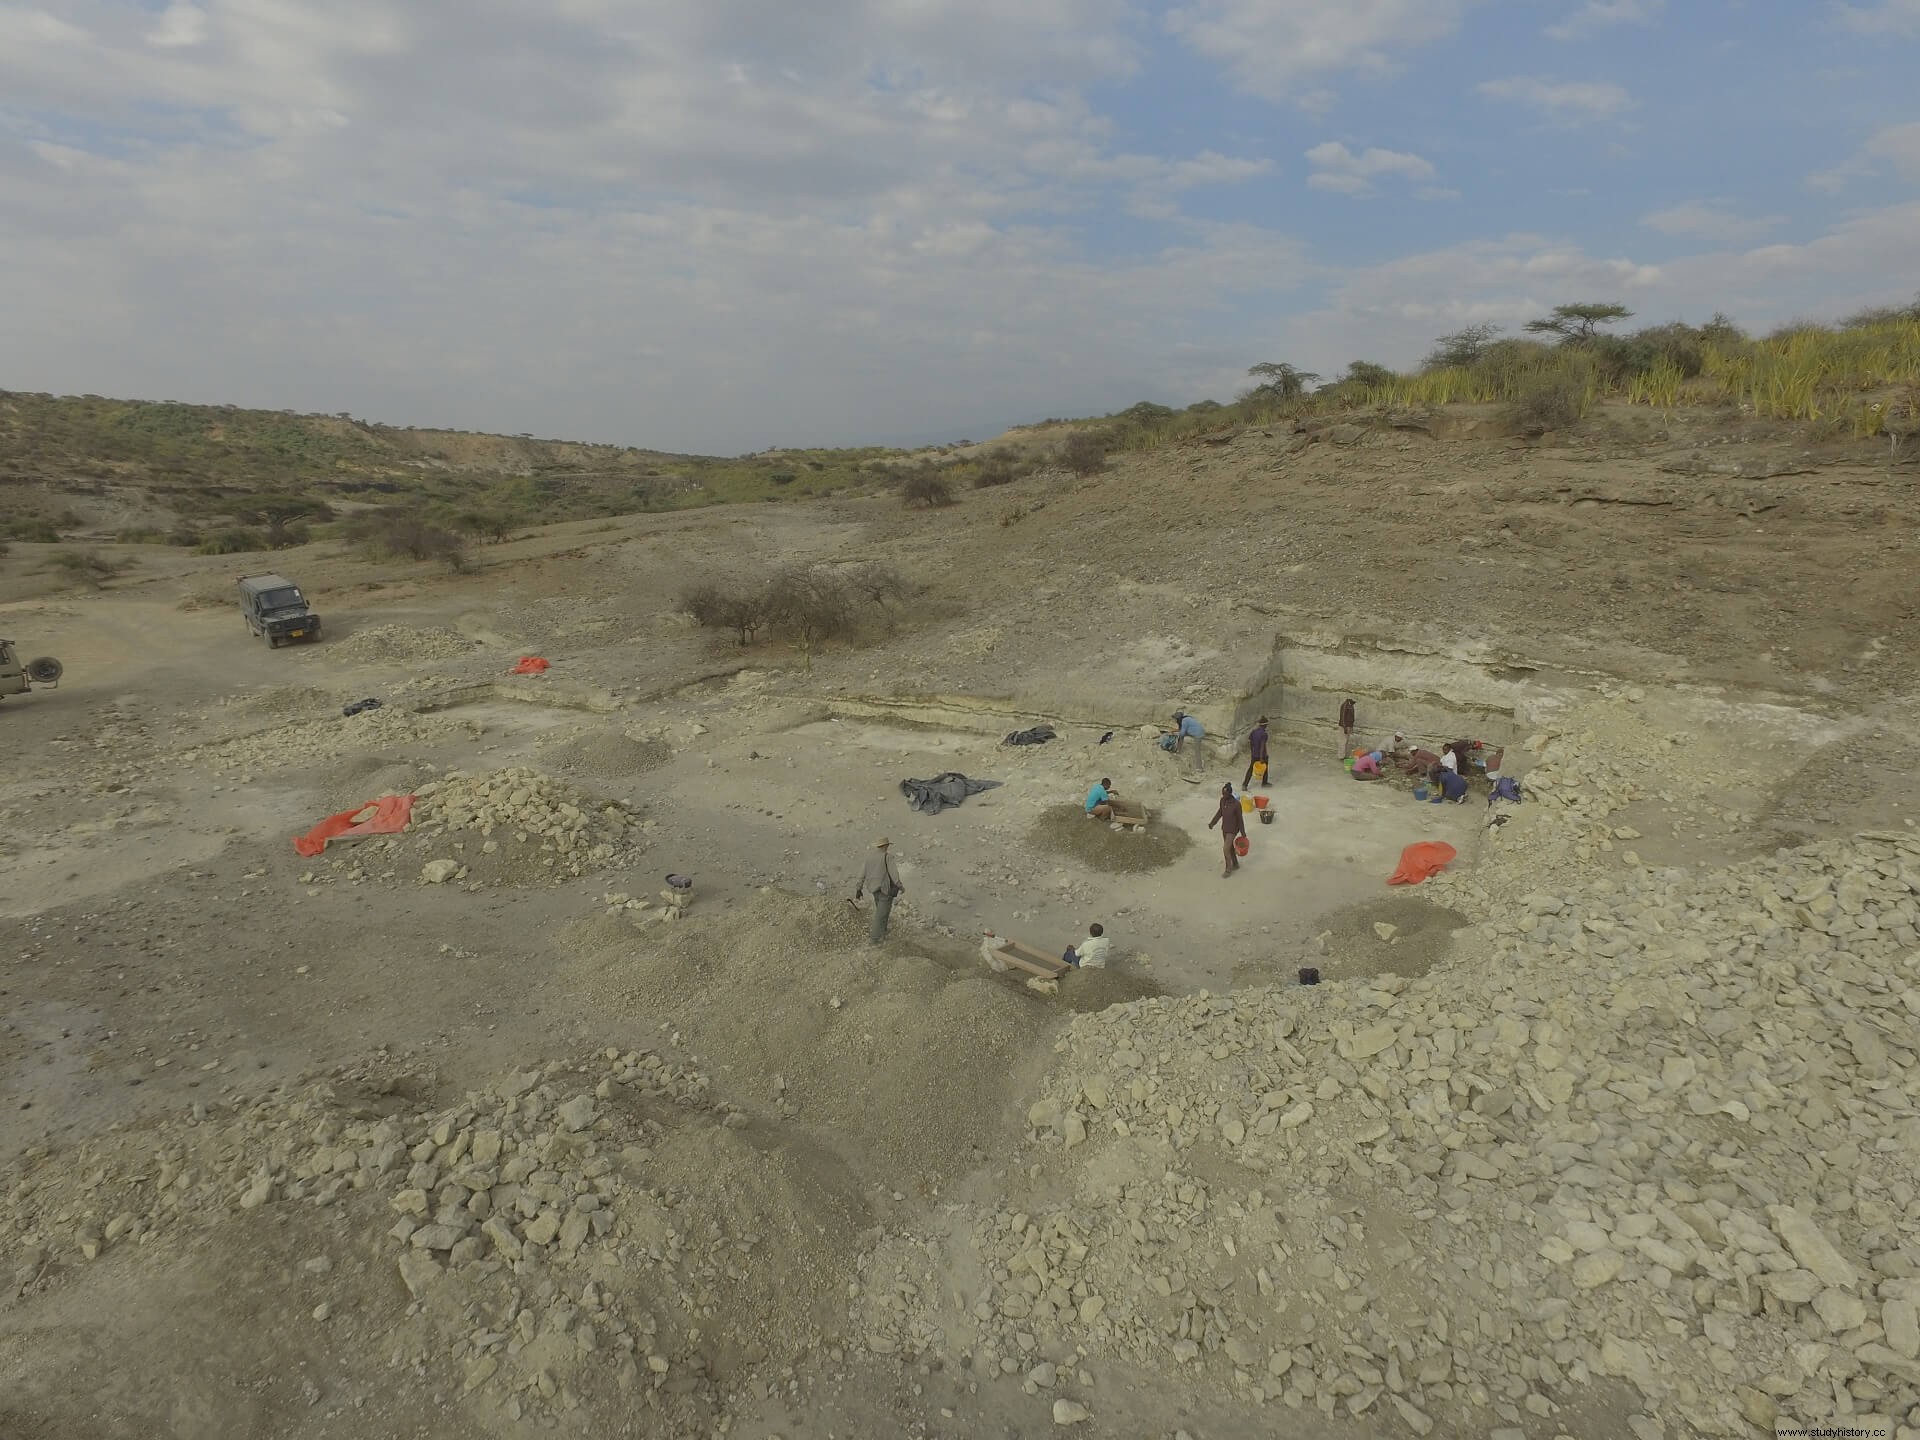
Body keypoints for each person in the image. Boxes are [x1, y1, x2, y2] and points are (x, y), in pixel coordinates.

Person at [855, 838, 904, 944]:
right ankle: (875, 939)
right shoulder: (887, 857)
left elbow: (861, 875)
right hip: (885, 889)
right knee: (881, 915)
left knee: (882, 912)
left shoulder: (868, 858)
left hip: (873, 889)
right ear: (886, 846)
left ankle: (883, 933)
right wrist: (900, 886)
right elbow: (894, 874)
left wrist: (858, 888)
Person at [1206, 782, 1245, 878]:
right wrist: (1212, 823)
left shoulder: (1236, 804)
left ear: (1230, 794)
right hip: (1225, 828)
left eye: (1225, 794)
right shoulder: (1222, 801)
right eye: (1223, 793)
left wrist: (1243, 833)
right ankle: (1235, 864)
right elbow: (1220, 812)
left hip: (1232, 830)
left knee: (1225, 849)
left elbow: (1240, 819)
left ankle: (1228, 869)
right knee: (1230, 847)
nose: (1223, 795)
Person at [1243, 716, 1270, 790]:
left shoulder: (1254, 732)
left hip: (1254, 754)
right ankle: (1264, 783)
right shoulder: (1264, 734)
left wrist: (1252, 753)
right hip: (1262, 755)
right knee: (1265, 768)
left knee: (1251, 769)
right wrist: (1261, 758)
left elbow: (1251, 743)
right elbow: (1262, 746)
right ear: (1264, 725)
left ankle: (1245, 784)